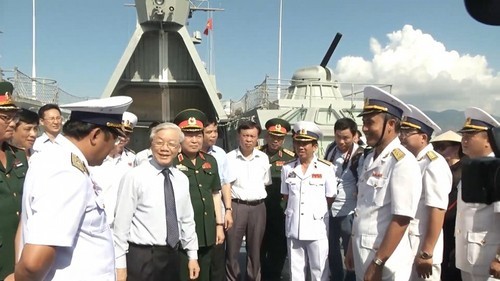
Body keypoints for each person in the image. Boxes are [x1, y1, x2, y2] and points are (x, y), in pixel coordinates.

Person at [15, 96, 132, 281]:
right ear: (95, 135)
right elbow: (33, 263)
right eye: (114, 139)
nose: (113, 146)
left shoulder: (61, 159)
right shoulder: (67, 171)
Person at [345, 86, 422, 281]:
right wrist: (351, 247)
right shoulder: (369, 158)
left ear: (391, 124)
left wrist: (378, 262)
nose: (364, 128)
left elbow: (402, 218)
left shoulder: (402, 161)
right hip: (364, 253)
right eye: (363, 122)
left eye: (370, 122)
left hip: (386, 261)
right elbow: (362, 208)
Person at [113, 122, 200, 281]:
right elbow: (121, 225)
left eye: (171, 144)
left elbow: (187, 219)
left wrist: (192, 255)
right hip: (142, 256)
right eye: (159, 142)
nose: (165, 148)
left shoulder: (181, 179)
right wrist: (120, 265)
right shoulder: (135, 177)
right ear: (151, 144)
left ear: (179, 148)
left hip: (172, 255)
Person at [399, 104, 452, 281]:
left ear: (423, 137)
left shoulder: (434, 164)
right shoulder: (412, 161)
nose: (402, 137)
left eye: (407, 133)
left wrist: (427, 252)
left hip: (422, 247)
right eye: (401, 131)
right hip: (408, 244)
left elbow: (437, 209)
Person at [281, 121, 337, 281]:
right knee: (295, 271)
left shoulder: (326, 169)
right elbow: (286, 196)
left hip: (316, 227)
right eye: (298, 142)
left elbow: (330, 196)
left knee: (319, 271)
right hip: (294, 227)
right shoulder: (288, 168)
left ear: (314, 146)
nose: (301, 147)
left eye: (305, 143)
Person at [172, 109, 224, 281]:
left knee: (205, 275)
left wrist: (219, 224)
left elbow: (215, 193)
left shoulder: (210, 161)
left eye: (198, 135)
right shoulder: (172, 162)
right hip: (182, 233)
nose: (194, 140)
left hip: (207, 229)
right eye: (188, 135)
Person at [455, 107, 500, 281]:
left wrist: (498, 258)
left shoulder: (495, 170)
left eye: (470, 135)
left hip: (487, 258)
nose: (464, 140)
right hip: (468, 256)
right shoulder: (471, 167)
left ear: (488, 140)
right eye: (463, 135)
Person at [225, 120, 271, 281]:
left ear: (257, 138)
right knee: (232, 249)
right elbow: (226, 186)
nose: (248, 139)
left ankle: (253, 278)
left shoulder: (263, 158)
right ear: (239, 136)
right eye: (245, 135)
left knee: (255, 250)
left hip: (258, 207)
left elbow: (266, 182)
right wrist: (228, 210)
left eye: (252, 136)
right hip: (237, 206)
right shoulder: (229, 158)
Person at [324, 118, 361, 281]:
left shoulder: (360, 155)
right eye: (338, 136)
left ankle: (351, 277)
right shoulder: (331, 149)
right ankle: (336, 276)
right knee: (331, 249)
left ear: (354, 136)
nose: (341, 141)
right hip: (330, 208)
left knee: (350, 249)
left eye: (345, 137)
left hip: (349, 210)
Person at [259, 118, 295, 281]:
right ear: (267, 136)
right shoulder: (257, 154)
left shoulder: (290, 159)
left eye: (280, 138)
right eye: (273, 136)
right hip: (260, 210)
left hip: (280, 211)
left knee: (279, 248)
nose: (276, 140)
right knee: (258, 248)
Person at [89, 111, 138, 228]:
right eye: (119, 133)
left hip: (121, 224)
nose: (123, 137)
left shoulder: (133, 159)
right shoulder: (94, 158)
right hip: (95, 221)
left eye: (127, 133)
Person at [0, 81, 29, 281]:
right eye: (5, 117)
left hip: (21, 255)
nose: (12, 123)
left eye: (13, 117)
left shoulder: (18, 156)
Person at [201, 115, 235, 281]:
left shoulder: (220, 154)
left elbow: (225, 183)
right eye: (209, 132)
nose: (213, 135)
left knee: (217, 257)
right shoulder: (185, 153)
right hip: (196, 211)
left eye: (215, 131)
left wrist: (228, 210)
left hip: (217, 210)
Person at [430, 130, 464, 281]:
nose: (438, 151)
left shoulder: (464, 169)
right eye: (436, 147)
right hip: (441, 227)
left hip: (455, 228)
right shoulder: (441, 168)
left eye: (442, 147)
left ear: (457, 147)